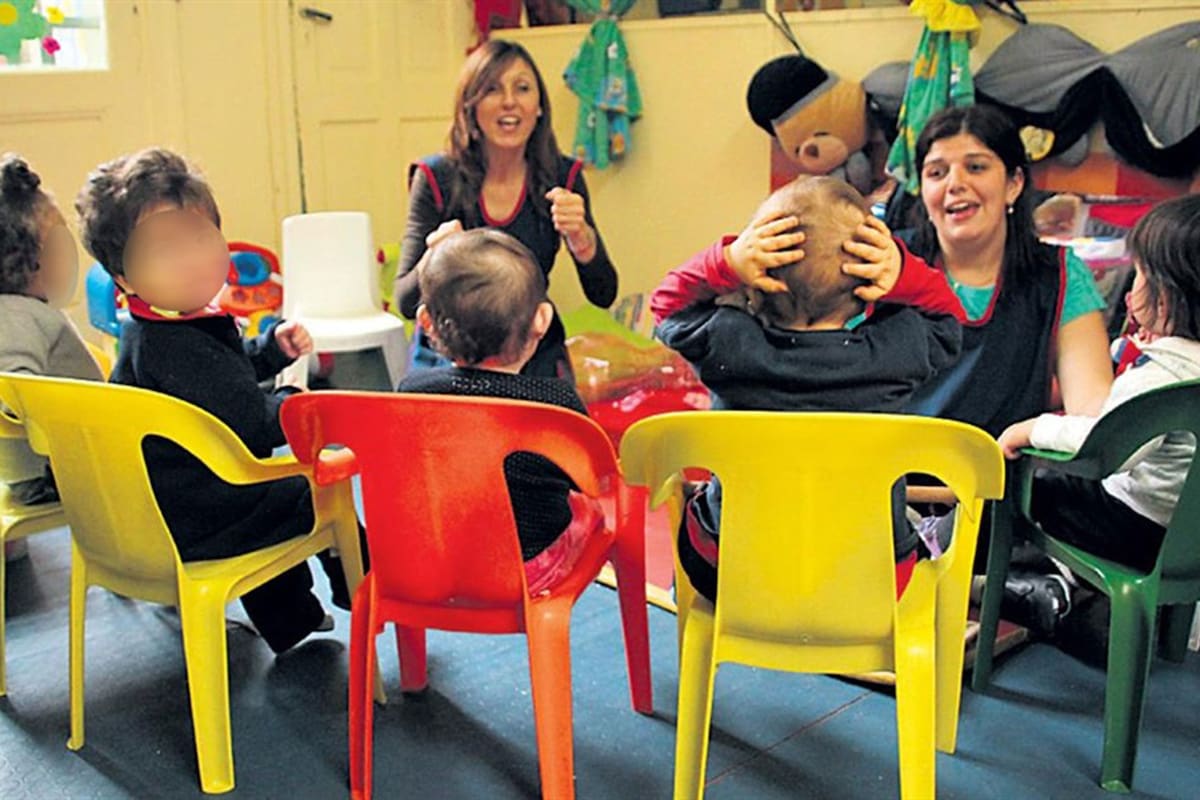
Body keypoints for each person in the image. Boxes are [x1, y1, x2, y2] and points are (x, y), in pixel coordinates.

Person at [76, 147, 358, 654]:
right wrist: (297, 402)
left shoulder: (155, 326)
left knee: (266, 490)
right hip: (199, 517)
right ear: (124, 277)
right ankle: (366, 587)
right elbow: (250, 422)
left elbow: (224, 379)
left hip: (166, 509)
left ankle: (293, 621)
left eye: (200, 236)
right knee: (306, 489)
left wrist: (269, 351)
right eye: (166, 249)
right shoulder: (176, 346)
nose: (192, 258)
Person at [651, 175, 965, 602]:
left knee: (698, 506)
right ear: (867, 292)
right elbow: (950, 319)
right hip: (867, 584)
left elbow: (666, 305)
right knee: (911, 528)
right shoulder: (897, 350)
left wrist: (725, 261)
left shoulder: (727, 343)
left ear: (755, 283)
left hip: (731, 576)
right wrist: (903, 273)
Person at [995, 195, 1200, 642]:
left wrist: (1031, 429)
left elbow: (1107, 446)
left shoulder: (1163, 370)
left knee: (1028, 484)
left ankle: (966, 565)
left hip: (1135, 530)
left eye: (1140, 274)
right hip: (1186, 538)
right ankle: (1059, 582)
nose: (1132, 286)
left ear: (1166, 297)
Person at [394, 39, 617, 381]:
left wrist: (583, 241)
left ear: (539, 106)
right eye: (492, 89)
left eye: (522, 88)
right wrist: (434, 257)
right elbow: (406, 302)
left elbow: (604, 294)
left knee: (554, 412)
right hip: (450, 351)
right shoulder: (435, 177)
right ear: (470, 105)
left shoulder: (563, 176)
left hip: (528, 346)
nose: (509, 101)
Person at [397, 228, 602, 593]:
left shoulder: (413, 393)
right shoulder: (556, 405)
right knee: (590, 513)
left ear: (426, 323)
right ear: (541, 320)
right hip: (531, 570)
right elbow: (591, 480)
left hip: (437, 562)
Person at [0, 154, 103, 515]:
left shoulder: (24, 311)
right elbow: (12, 392)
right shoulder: (15, 316)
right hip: (53, 469)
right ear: (24, 260)